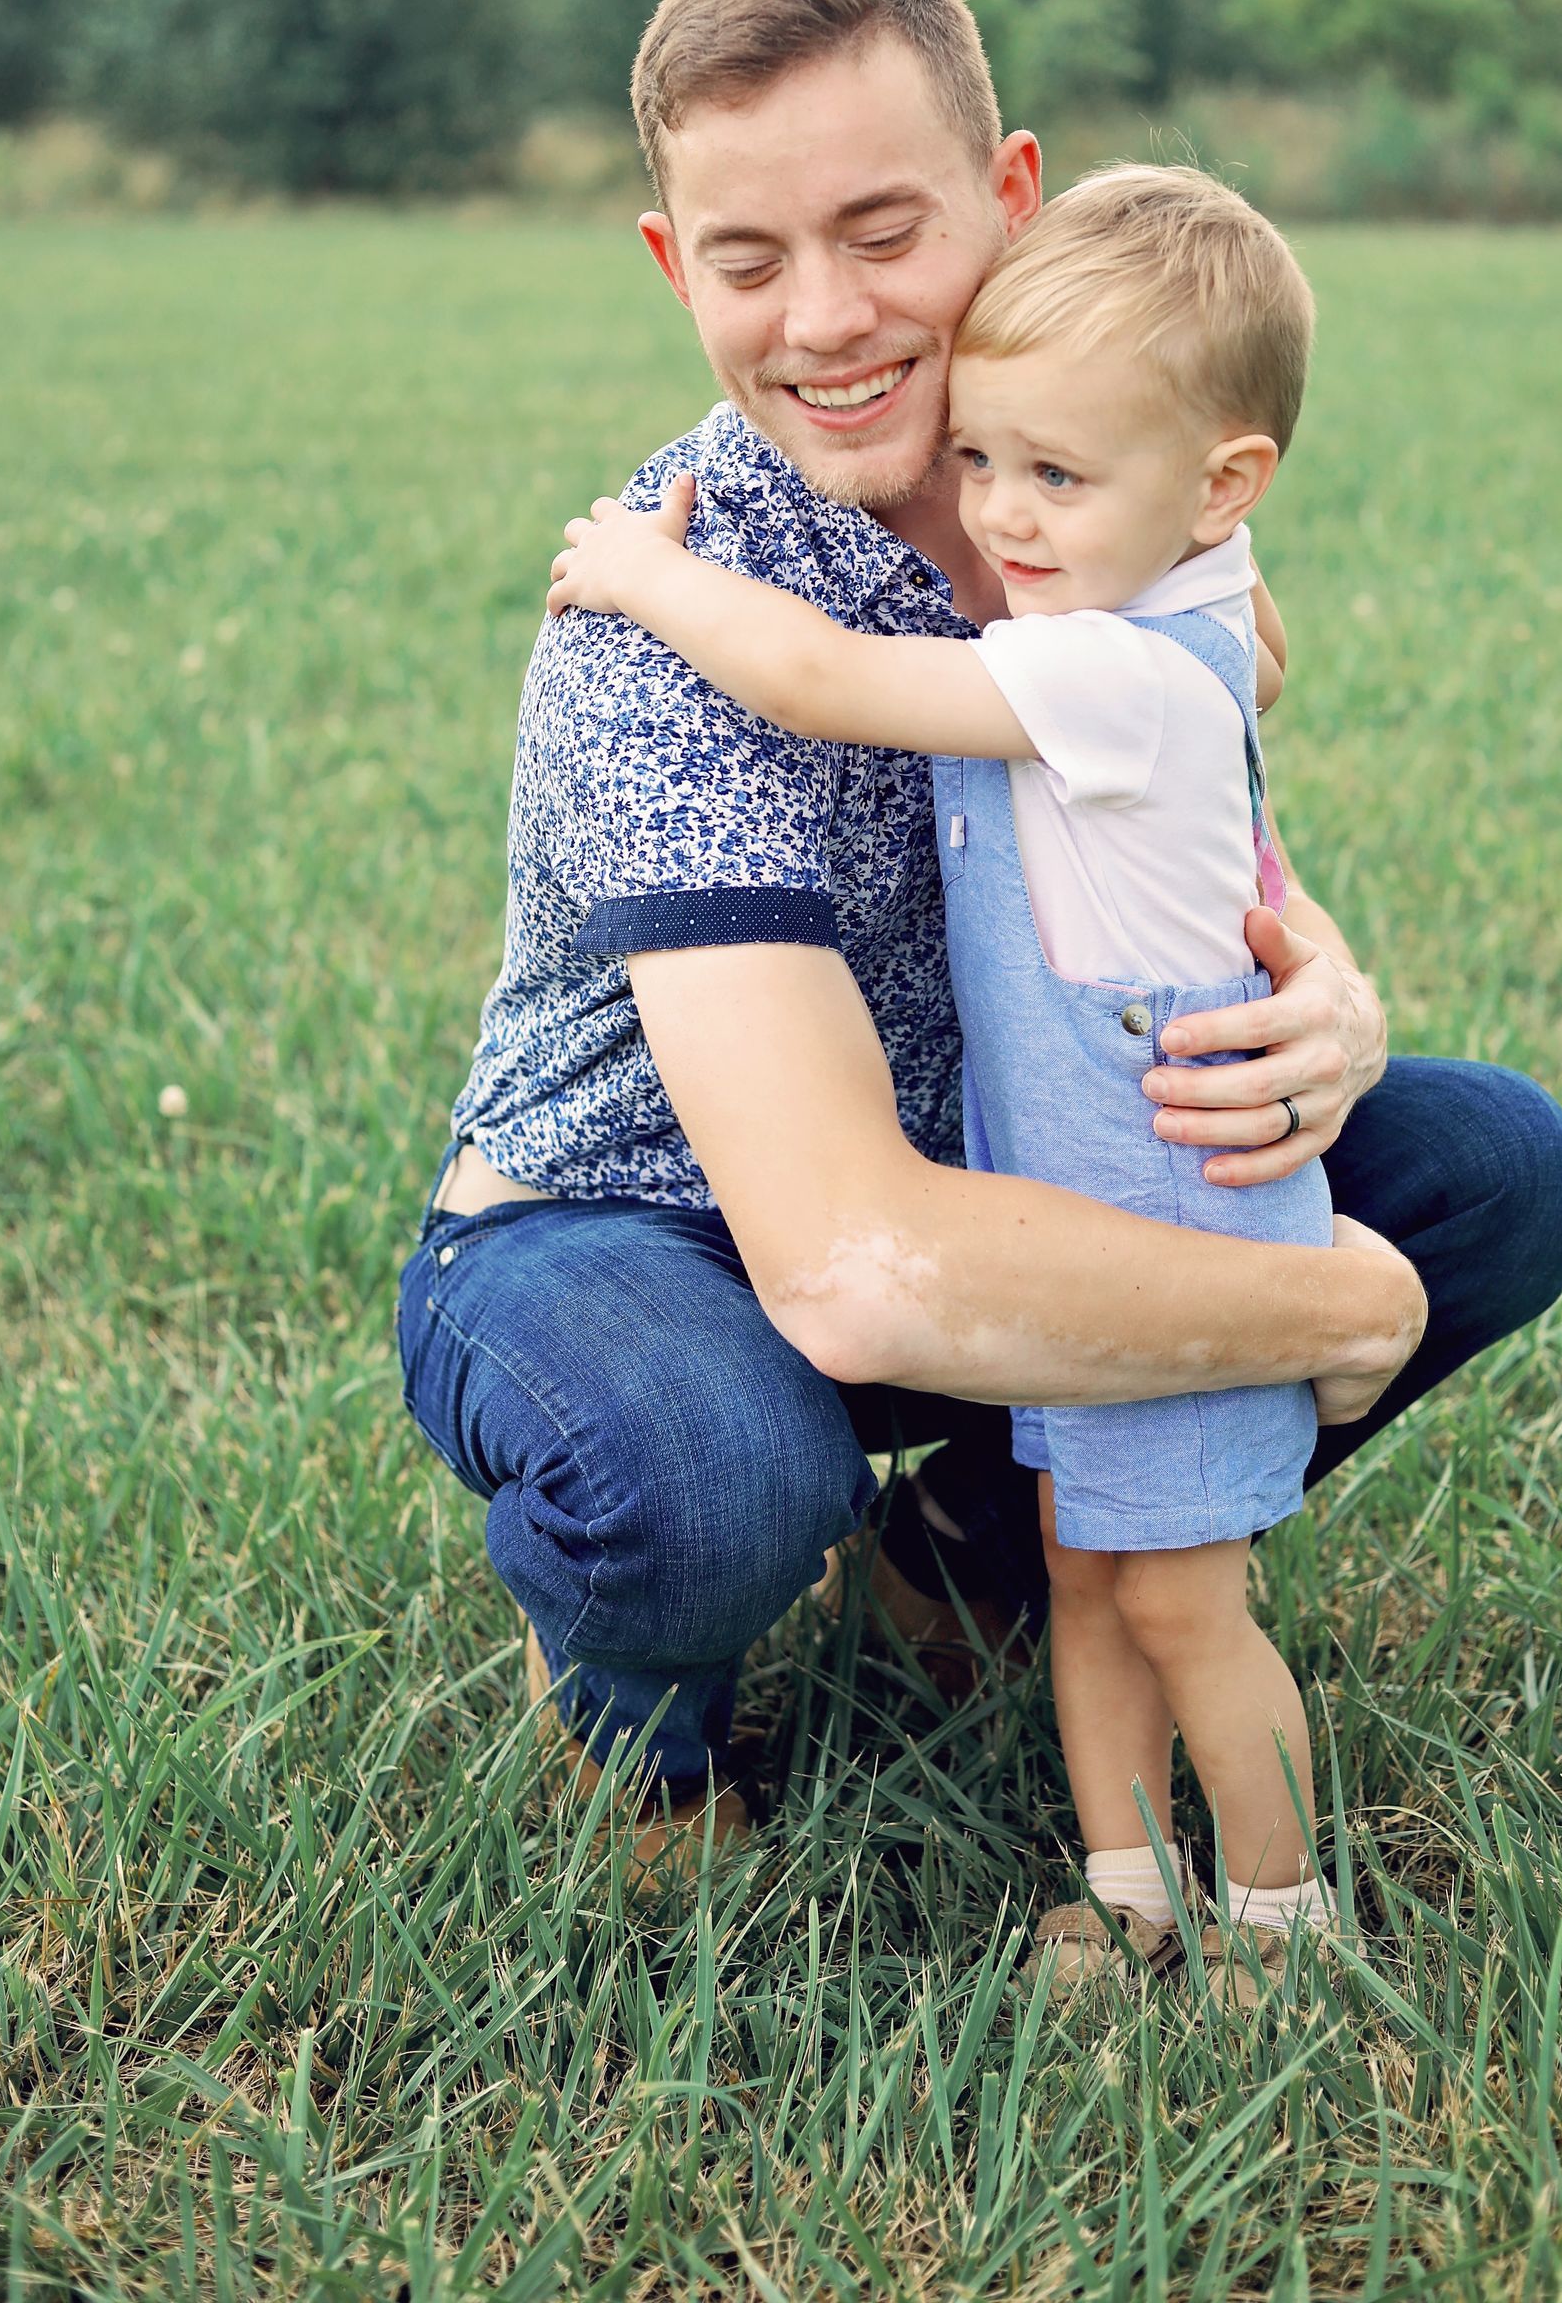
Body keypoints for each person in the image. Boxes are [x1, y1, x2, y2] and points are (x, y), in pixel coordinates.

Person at [396, 0, 1562, 1881]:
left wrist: (1333, 1001)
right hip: (643, 1237)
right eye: (749, 259)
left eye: (887, 232)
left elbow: (1198, 817)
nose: (827, 318)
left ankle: (953, 1574)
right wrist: (1325, 1299)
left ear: (1012, 197)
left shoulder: (1115, 518)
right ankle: (640, 1723)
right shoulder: (667, 612)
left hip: (1012, 1160)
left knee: (1486, 1169)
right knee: (707, 1466)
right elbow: (848, 1261)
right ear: (666, 263)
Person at [547, 163, 1362, 2000]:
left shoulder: (1118, 673)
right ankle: (1128, 1886)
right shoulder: (1165, 599)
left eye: (1053, 477)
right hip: (1067, 1195)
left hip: (1161, 1204)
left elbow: (832, 680)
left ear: (1220, 490)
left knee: (1180, 1602)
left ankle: (1280, 1918)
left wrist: (642, 574)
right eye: (985, 464)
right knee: (1085, 1584)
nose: (996, 513)